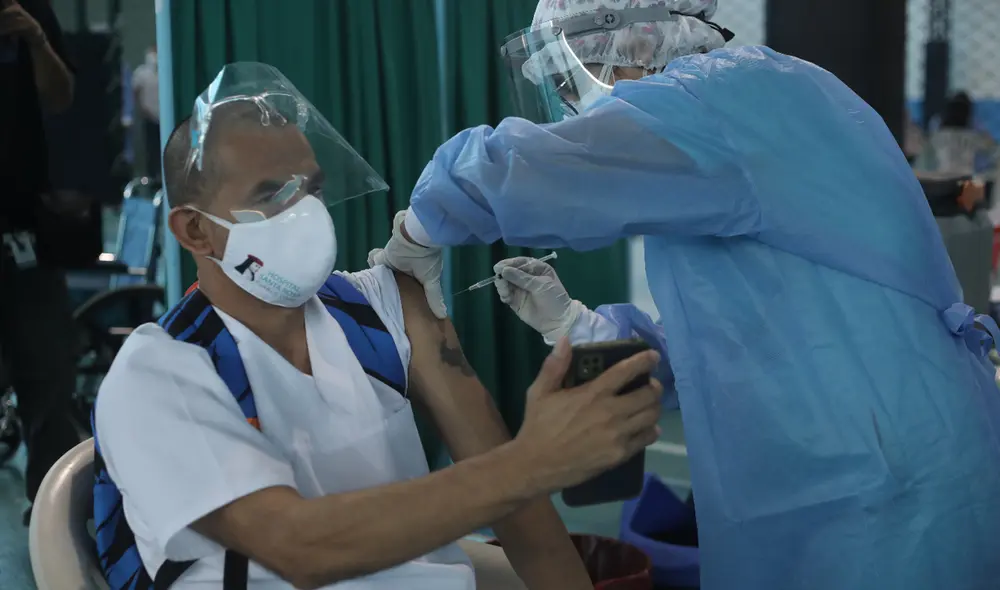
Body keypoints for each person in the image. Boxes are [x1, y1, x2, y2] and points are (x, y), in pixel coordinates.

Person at [370, 1, 1000, 588]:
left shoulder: (733, 97)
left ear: (634, 38)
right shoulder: (721, 145)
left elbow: (531, 166)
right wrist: (575, 325)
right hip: (838, 474)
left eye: (569, 78)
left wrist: (418, 228)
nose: (567, 106)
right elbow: (727, 352)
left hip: (885, 496)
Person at [93, 63, 663, 590]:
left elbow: (523, 516)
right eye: (272, 195)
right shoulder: (160, 373)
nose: (305, 214)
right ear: (195, 232)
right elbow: (297, 546)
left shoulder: (378, 305)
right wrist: (535, 460)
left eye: (310, 190)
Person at [0, 0, 81, 524]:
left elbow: (62, 96)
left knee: (49, 374)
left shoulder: (29, 9)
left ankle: (50, 520)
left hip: (25, 229)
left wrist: (36, 41)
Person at [132, 44, 161, 177]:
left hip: (163, 117)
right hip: (149, 118)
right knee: (151, 149)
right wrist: (142, 111)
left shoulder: (165, 72)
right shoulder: (141, 73)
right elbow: (136, 93)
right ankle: (151, 178)